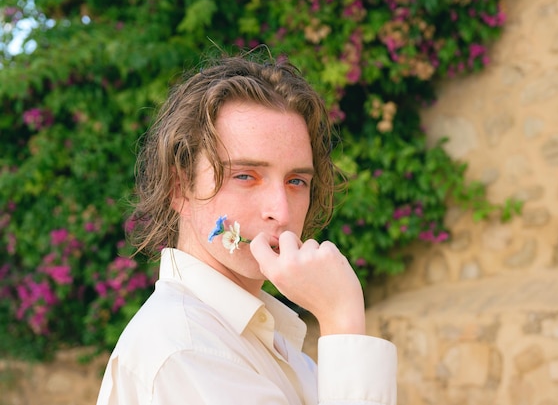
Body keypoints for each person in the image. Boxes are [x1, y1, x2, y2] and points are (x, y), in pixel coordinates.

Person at [96, 50, 397, 405]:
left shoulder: (271, 345)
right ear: (180, 189)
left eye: (296, 181)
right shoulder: (187, 352)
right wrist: (342, 319)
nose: (281, 212)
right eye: (245, 176)